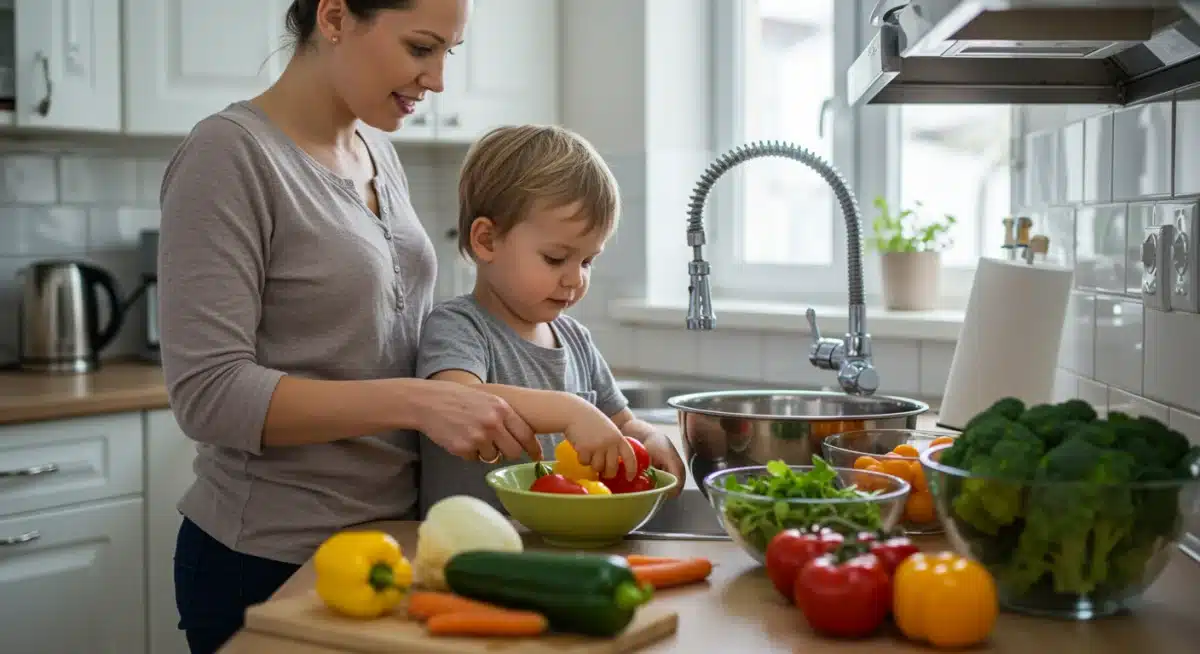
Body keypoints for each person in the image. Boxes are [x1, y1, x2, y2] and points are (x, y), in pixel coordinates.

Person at [156, 1, 629, 652]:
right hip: (271, 555)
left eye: (447, 54)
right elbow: (209, 395)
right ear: (334, 16)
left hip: (395, 547)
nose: (436, 79)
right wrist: (427, 401)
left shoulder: (378, 153)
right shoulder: (229, 156)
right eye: (419, 48)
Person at [415, 124, 688, 514]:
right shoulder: (458, 326)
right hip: (472, 551)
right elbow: (456, 400)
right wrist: (572, 410)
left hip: (561, 549)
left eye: (588, 261)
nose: (576, 278)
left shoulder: (575, 339)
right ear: (486, 241)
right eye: (556, 258)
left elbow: (622, 423)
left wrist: (649, 439)